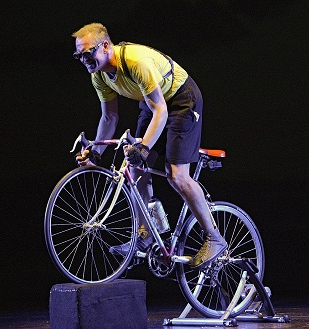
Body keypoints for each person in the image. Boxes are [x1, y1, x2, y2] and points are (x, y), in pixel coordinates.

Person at [72, 22, 227, 269]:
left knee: (177, 176)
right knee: (134, 166)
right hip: (153, 102)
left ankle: (215, 238)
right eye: (77, 55)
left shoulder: (136, 62)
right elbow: (109, 118)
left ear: (104, 46)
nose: (83, 59)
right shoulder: (98, 75)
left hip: (180, 100)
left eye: (87, 52)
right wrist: (96, 155)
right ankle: (146, 233)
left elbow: (161, 111)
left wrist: (143, 147)